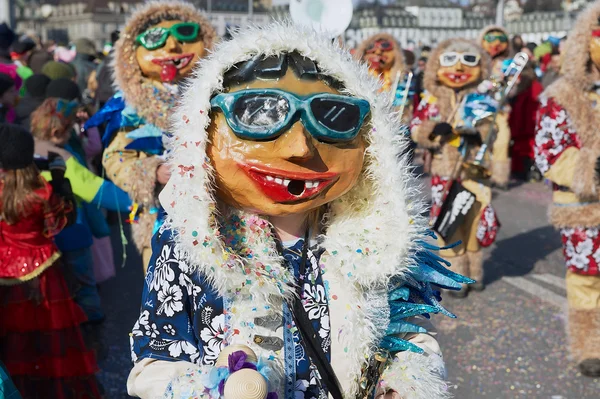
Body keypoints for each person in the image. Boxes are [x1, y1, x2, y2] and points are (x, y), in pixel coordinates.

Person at [127, 22, 471, 399]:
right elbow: (152, 361)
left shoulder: (377, 239)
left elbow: (408, 337)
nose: (299, 148)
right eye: (258, 115)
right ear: (202, 130)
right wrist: (218, 389)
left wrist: (405, 383)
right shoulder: (187, 240)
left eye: (333, 117)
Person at [87, 1, 216, 272]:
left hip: (216, 220)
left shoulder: (221, 94)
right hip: (159, 220)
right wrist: (153, 172)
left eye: (186, 33)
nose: (172, 47)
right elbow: (115, 157)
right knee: (164, 301)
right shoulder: (132, 106)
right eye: (155, 39)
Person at [0, 124, 101, 398]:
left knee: (16, 340)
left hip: (6, 275)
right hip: (45, 273)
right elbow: (60, 222)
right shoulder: (41, 192)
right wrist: (59, 179)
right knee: (52, 337)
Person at [534, 0, 600, 378]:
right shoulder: (561, 95)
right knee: (587, 277)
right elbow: (549, 151)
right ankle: (589, 347)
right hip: (583, 206)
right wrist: (592, 168)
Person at [30, 92, 132, 323]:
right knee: (83, 290)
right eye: (69, 129)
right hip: (69, 232)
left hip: (35, 239)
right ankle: (89, 334)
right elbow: (95, 190)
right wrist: (135, 200)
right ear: (57, 132)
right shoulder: (59, 156)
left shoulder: (25, 148)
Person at [411, 38, 499, 297]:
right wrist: (432, 130)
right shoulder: (432, 98)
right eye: (450, 60)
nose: (459, 68)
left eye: (469, 61)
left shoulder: (482, 98)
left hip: (475, 172)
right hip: (444, 174)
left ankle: (475, 274)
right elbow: (416, 127)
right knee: (448, 226)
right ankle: (456, 278)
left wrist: (481, 133)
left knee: (475, 225)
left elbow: (496, 130)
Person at [479, 25, 513, 189]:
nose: (496, 44)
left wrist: (510, 82)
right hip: (481, 107)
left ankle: (499, 177)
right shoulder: (479, 62)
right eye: (491, 39)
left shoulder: (508, 63)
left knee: (502, 139)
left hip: (500, 108)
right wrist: (482, 85)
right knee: (483, 140)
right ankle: (482, 172)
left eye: (501, 40)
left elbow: (515, 86)